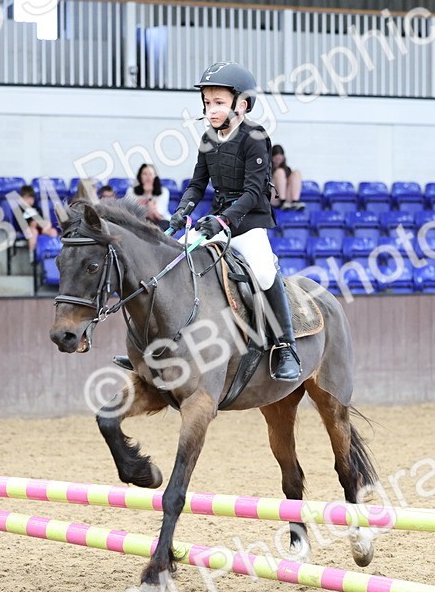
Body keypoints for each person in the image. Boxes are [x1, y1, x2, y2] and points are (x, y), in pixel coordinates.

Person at [116, 61, 300, 382]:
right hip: (214, 221)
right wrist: (183, 209)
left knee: (264, 271)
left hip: (248, 224)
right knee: (170, 262)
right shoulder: (208, 138)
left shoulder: (255, 137)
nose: (210, 109)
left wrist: (224, 221)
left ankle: (285, 345)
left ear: (241, 105)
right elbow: (197, 184)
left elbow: (255, 191)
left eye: (218, 102)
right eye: (206, 103)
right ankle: (150, 346)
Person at [125, 163, 171, 229]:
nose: (148, 177)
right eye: (145, 174)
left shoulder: (164, 192)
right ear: (140, 177)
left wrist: (148, 196)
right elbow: (130, 213)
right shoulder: (131, 191)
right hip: (138, 221)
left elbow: (156, 216)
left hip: (160, 222)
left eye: (151, 174)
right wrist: (150, 207)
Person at [15, 184, 56, 255]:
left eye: (31, 198)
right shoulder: (18, 210)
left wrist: (40, 224)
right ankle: (32, 255)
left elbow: (43, 219)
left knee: (53, 231)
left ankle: (53, 254)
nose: (29, 200)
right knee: (33, 231)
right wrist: (31, 224)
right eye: (26, 198)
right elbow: (20, 224)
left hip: (40, 228)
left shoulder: (37, 209)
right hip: (27, 230)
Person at [270, 144, 305, 211]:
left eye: (280, 159)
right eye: (276, 159)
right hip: (275, 197)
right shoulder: (268, 170)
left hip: (287, 199)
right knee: (280, 172)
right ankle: (283, 201)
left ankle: (295, 201)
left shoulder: (287, 169)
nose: (278, 161)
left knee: (296, 172)